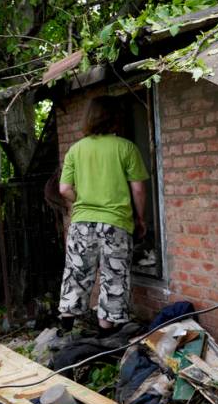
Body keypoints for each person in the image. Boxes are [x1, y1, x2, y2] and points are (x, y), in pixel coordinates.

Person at [57, 96, 150, 335]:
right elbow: (138, 189)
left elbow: (64, 189)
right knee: (114, 277)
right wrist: (140, 219)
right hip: (115, 224)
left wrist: (86, 201)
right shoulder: (126, 148)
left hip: (81, 225)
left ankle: (65, 327)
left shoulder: (75, 150)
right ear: (115, 118)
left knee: (76, 273)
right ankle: (105, 331)